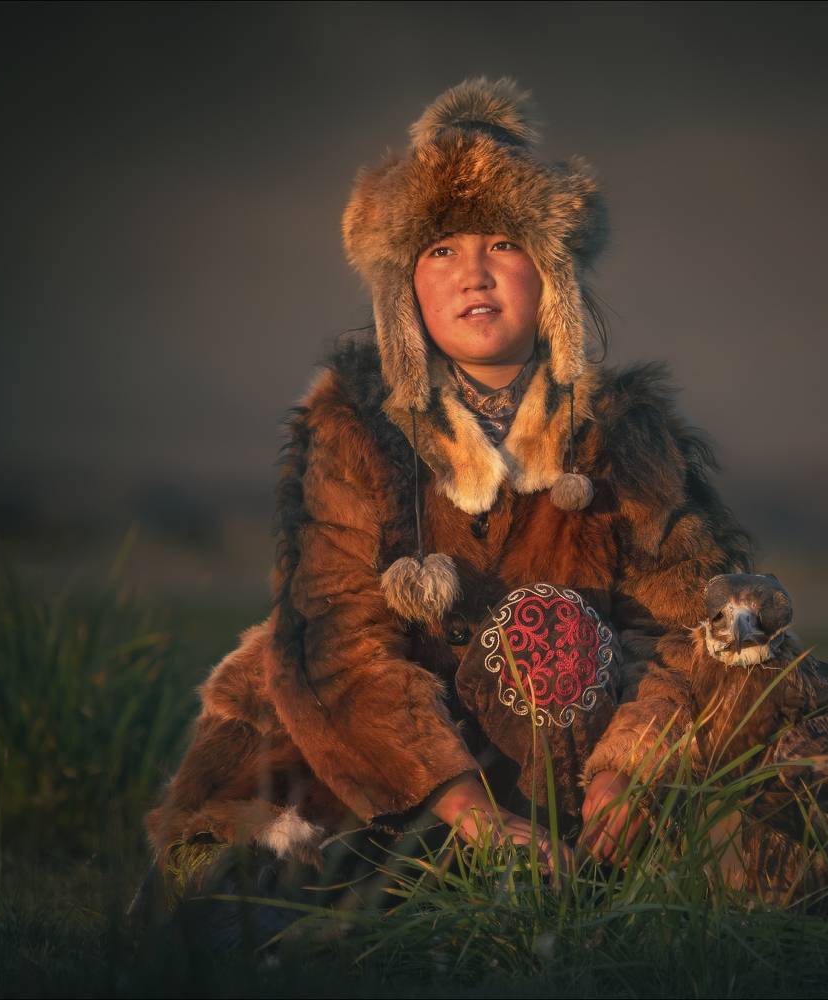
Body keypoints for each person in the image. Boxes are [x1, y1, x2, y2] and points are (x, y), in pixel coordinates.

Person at [140, 77, 755, 921]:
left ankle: (564, 888)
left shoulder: (626, 436)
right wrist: (468, 811)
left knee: (732, 679)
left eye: (504, 243)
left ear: (551, 273)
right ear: (404, 288)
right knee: (242, 894)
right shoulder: (352, 427)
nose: (474, 274)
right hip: (365, 749)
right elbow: (337, 649)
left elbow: (685, 633)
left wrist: (629, 772)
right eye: (439, 250)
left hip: (567, 759)